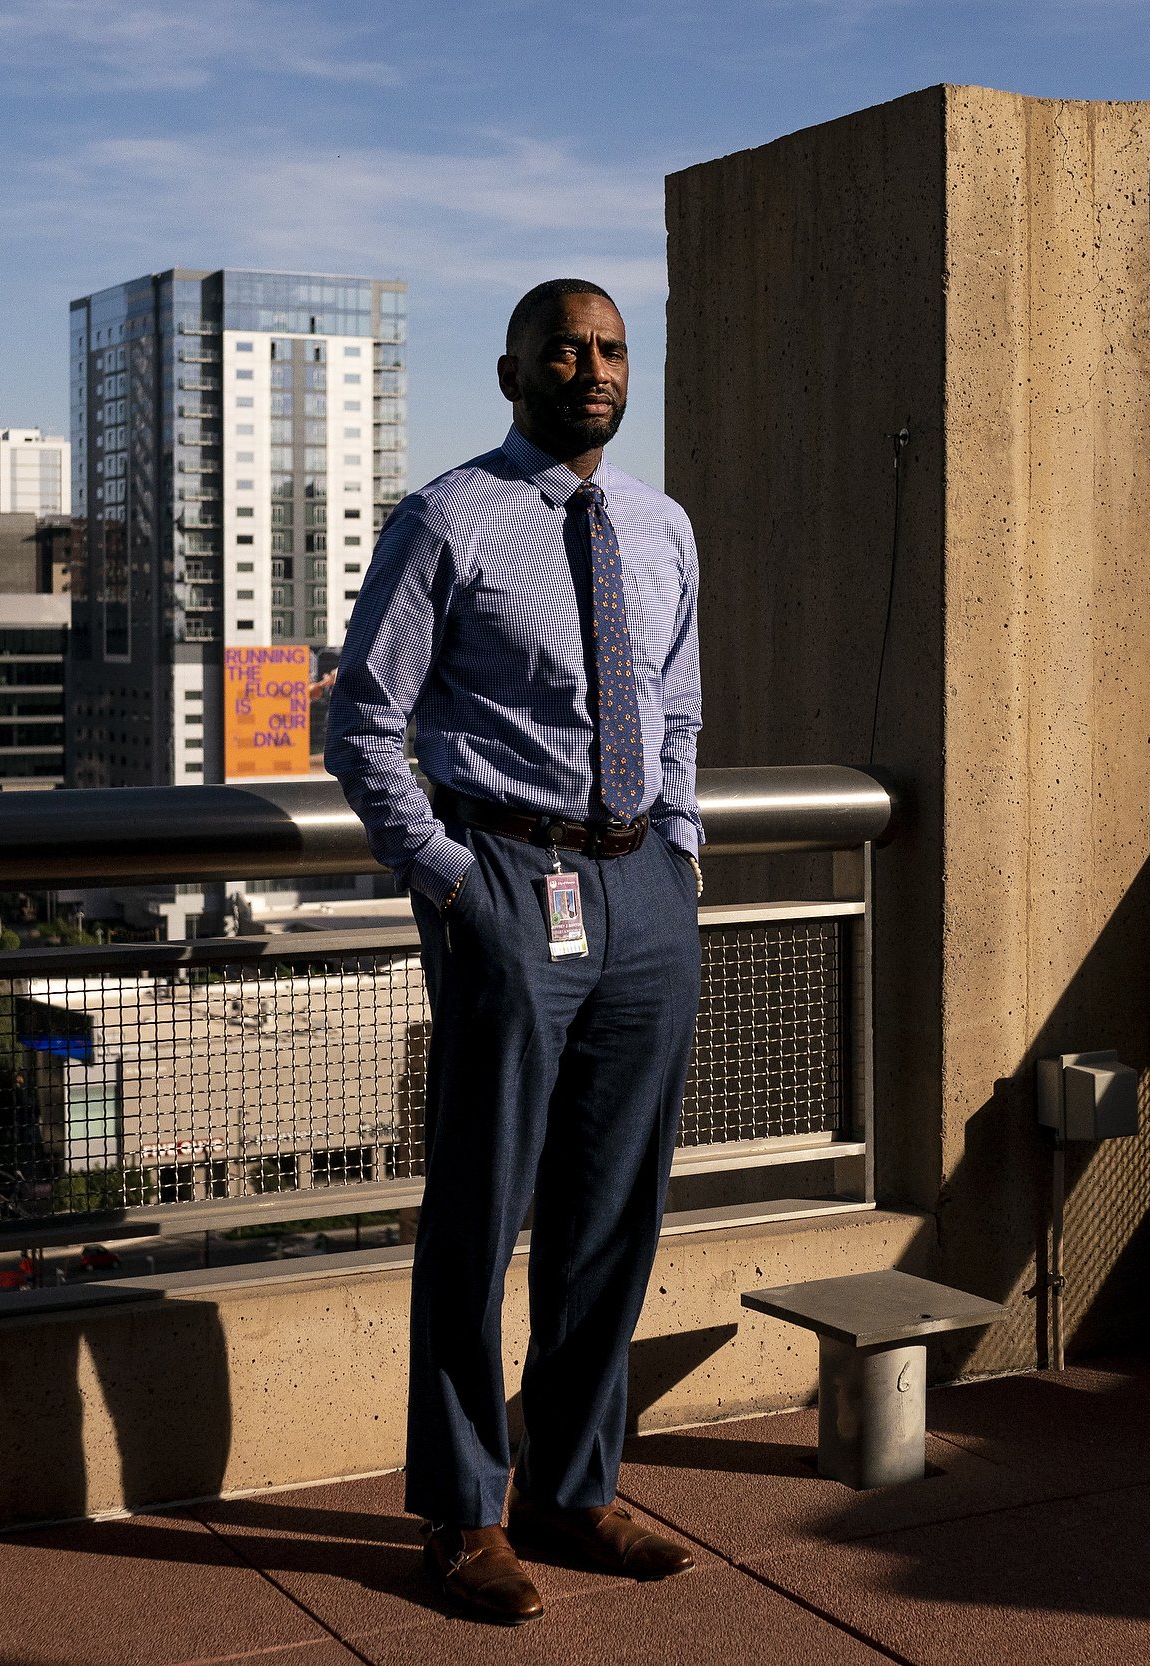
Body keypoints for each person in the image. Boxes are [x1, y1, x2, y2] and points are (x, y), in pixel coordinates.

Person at [326, 279, 704, 1624]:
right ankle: (462, 1510)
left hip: (643, 890)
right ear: (511, 371)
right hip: (509, 880)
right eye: (566, 348)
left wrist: (683, 854)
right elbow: (362, 723)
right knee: (483, 1211)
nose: (591, 368)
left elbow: (678, 705)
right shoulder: (451, 518)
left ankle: (573, 1485)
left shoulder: (661, 525)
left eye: (610, 350)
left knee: (613, 1210)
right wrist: (449, 881)